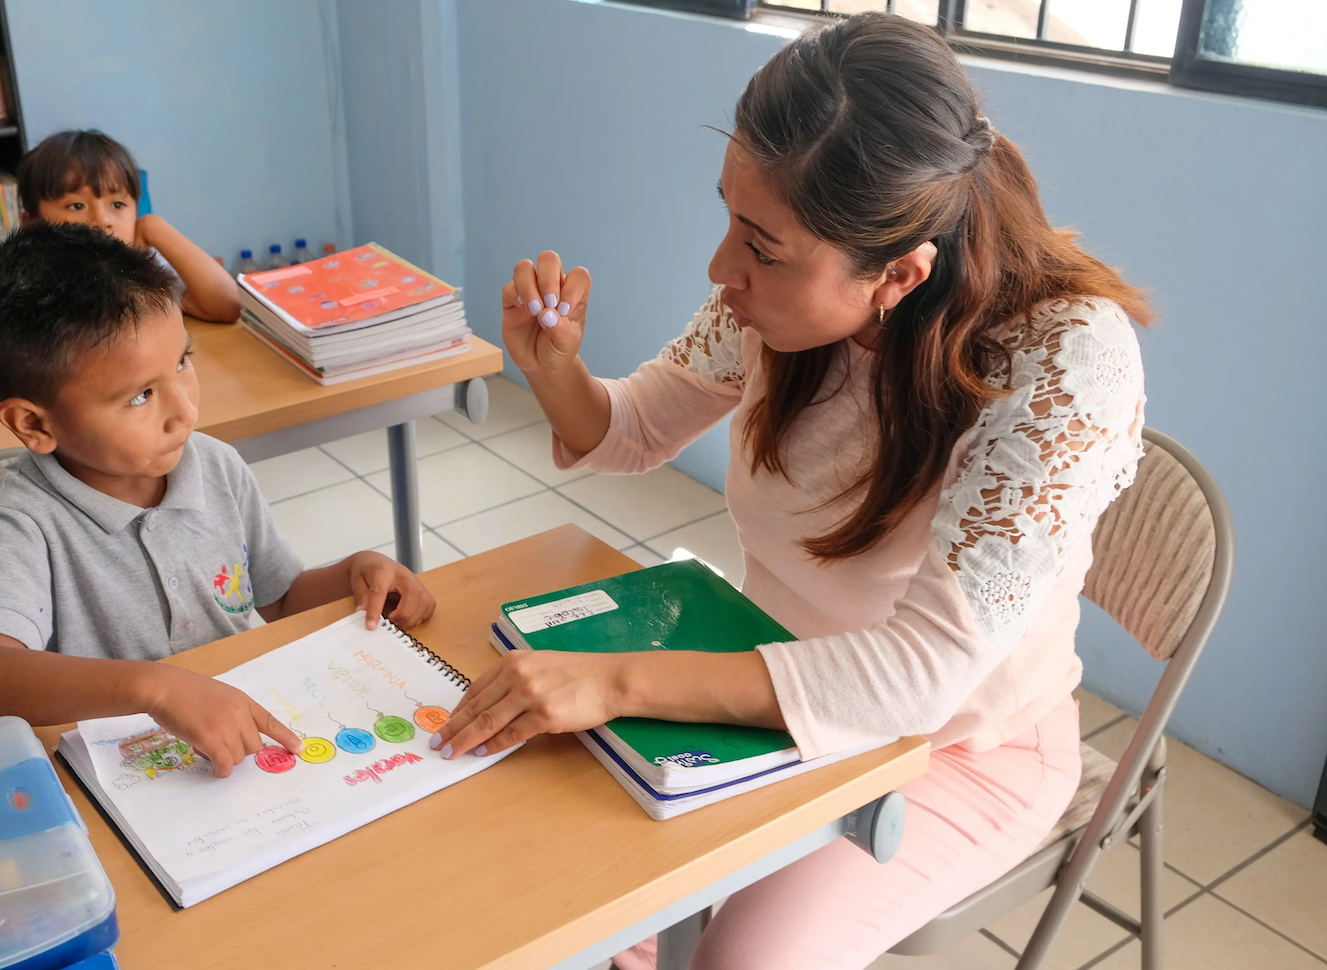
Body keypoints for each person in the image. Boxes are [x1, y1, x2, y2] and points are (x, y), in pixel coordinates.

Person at [430, 14, 1150, 969]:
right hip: (761, 689)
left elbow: (919, 679)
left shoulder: (1064, 359)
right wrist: (556, 371)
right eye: (730, 216)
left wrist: (612, 680)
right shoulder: (779, 302)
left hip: (957, 748)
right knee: (560, 888)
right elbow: (633, 430)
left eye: (762, 247)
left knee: (731, 959)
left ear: (898, 273)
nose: (723, 270)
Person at [0, 222, 433, 778]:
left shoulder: (215, 466)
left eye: (182, 362)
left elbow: (280, 596)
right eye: (140, 396)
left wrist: (352, 574)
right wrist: (156, 688)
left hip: (239, 745)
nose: (185, 412)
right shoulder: (20, 522)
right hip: (115, 775)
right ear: (33, 423)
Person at [0, 129, 241, 377]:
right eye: (76, 206)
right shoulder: (20, 280)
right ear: (31, 224)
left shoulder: (142, 273)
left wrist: (154, 226)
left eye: (118, 205)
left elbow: (225, 304)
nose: (101, 220)